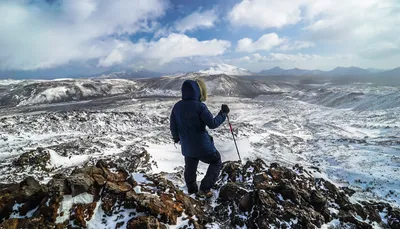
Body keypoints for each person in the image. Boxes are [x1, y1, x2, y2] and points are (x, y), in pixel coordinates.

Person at [170, 79, 230, 198]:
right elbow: (212, 124)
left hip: (187, 145)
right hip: (202, 146)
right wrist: (223, 113)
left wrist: (177, 138)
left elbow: (173, 126)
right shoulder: (200, 107)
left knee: (190, 167)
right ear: (198, 91)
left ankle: (192, 190)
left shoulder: (177, 107)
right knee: (216, 161)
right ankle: (205, 188)